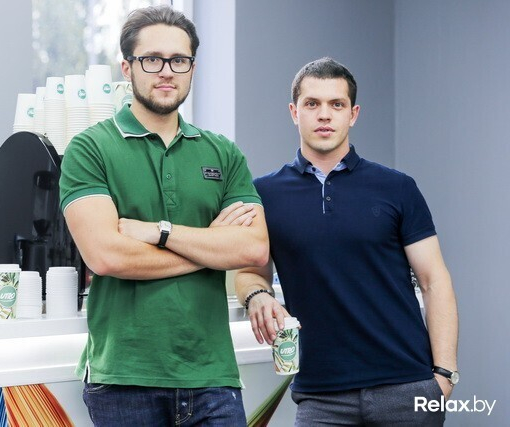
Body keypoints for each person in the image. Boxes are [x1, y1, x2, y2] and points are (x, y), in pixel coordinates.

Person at [59, 5, 269, 426]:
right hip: (124, 379)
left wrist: (159, 231)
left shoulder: (222, 153)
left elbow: (253, 249)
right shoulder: (89, 149)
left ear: (193, 68)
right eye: (152, 60)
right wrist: (211, 248)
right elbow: (106, 257)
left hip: (213, 376)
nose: (167, 72)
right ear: (127, 67)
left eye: (179, 60)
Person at [235, 57, 458, 426]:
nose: (324, 115)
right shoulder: (263, 194)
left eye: (336, 104)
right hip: (320, 395)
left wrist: (444, 375)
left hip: (406, 386)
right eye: (312, 104)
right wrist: (257, 294)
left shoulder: (397, 187)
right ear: (294, 112)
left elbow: (434, 280)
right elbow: (248, 271)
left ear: (353, 114)